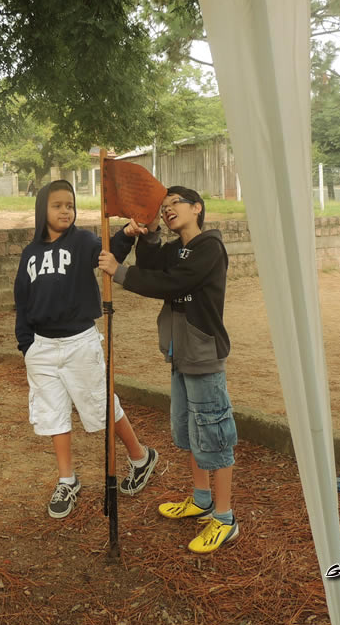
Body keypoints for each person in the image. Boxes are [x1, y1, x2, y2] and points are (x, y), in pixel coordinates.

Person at [98, 186, 237, 554]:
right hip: (180, 353)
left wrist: (119, 272)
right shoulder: (179, 249)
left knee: (215, 434)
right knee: (191, 430)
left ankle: (225, 519)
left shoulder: (209, 247)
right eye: (163, 206)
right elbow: (153, 266)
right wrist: (148, 235)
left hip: (203, 354)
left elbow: (173, 282)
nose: (168, 209)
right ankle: (201, 500)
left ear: (197, 208)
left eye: (175, 203)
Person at [15, 179, 159, 519]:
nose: (65, 211)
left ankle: (140, 457)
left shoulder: (81, 241)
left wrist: (127, 234)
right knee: (53, 412)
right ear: (42, 210)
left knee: (101, 404)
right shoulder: (30, 253)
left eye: (70, 205)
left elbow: (108, 255)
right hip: (41, 347)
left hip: (80, 341)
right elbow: (22, 300)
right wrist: (26, 344)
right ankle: (67, 480)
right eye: (57, 205)